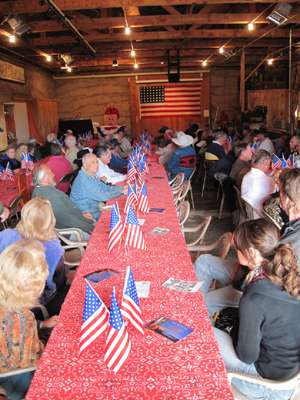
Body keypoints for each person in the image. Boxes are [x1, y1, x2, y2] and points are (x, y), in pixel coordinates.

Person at [193, 168, 300, 315]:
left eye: (279, 191)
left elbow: (273, 281)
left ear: (288, 199)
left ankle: (196, 317)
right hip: (251, 269)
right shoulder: (290, 222)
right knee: (204, 262)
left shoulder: (295, 240)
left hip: (261, 291)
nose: (278, 196)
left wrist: (245, 259)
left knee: (203, 304)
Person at [214, 219, 300, 400]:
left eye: (236, 248)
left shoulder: (253, 297)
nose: (234, 250)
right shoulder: (284, 274)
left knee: (203, 333)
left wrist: (234, 329)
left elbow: (247, 356)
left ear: (251, 252)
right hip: (290, 376)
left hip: (264, 383)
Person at [0, 240, 59, 400]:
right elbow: (29, 361)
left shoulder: (15, 310)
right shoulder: (22, 319)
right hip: (17, 381)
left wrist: (42, 324)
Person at [0, 198, 64, 309]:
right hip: (35, 297)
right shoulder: (55, 248)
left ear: (24, 215)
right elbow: (60, 280)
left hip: (4, 289)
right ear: (50, 220)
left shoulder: (6, 234)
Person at [32, 165, 94, 237]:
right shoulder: (50, 196)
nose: (53, 175)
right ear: (44, 178)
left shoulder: (39, 190)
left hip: (72, 223)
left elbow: (67, 212)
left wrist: (81, 215)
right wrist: (91, 227)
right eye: (50, 173)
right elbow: (68, 219)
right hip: (71, 231)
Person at [70, 153, 124, 221]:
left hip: (96, 207)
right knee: (121, 216)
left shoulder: (90, 174)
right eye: (93, 162)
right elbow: (104, 196)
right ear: (85, 165)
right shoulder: (84, 180)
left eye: (97, 162)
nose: (96, 165)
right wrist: (121, 190)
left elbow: (105, 187)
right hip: (88, 215)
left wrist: (121, 188)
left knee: (122, 208)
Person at [241, 150, 275, 217]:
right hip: (259, 214)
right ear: (265, 163)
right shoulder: (266, 180)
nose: (269, 166)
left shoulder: (247, 175)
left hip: (249, 211)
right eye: (269, 164)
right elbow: (277, 189)